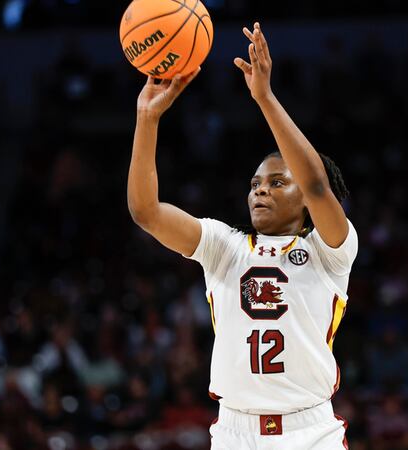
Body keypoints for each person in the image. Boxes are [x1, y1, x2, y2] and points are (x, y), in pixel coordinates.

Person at [127, 22, 357, 449]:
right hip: (236, 431)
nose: (260, 191)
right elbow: (146, 211)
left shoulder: (330, 250)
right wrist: (147, 118)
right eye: (255, 184)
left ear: (304, 201)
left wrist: (264, 98)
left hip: (311, 432)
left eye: (277, 182)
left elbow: (317, 184)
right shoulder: (224, 245)